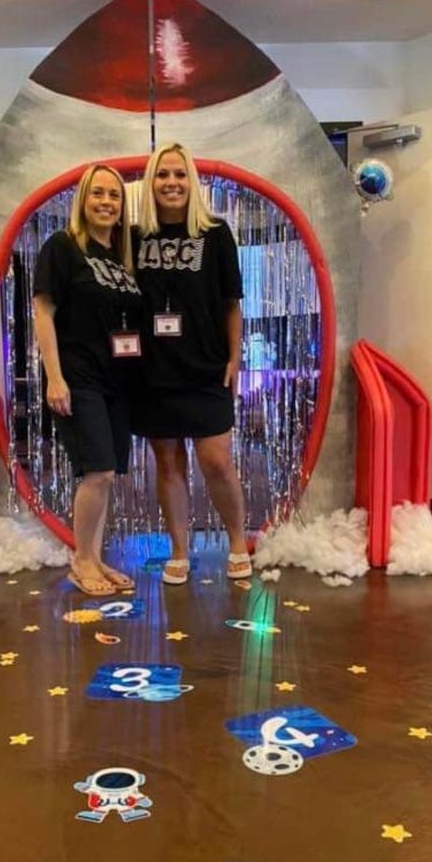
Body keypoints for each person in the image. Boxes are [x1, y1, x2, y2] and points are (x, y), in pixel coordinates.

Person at [132, 142, 252, 584]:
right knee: (168, 463)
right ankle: (179, 550)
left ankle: (237, 541)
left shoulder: (215, 233)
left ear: (192, 182)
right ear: (151, 182)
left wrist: (235, 357)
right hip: (153, 371)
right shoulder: (135, 236)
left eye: (180, 175)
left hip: (205, 366)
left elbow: (231, 305)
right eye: (162, 175)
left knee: (216, 461)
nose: (171, 183)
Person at [33, 163, 141, 595]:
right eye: (98, 194)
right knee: (96, 470)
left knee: (106, 473)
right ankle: (82, 561)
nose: (106, 202)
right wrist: (55, 377)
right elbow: (43, 311)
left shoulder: (120, 257)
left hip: (117, 382)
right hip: (79, 377)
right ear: (83, 200)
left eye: (113, 196)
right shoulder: (62, 247)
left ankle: (94, 559)